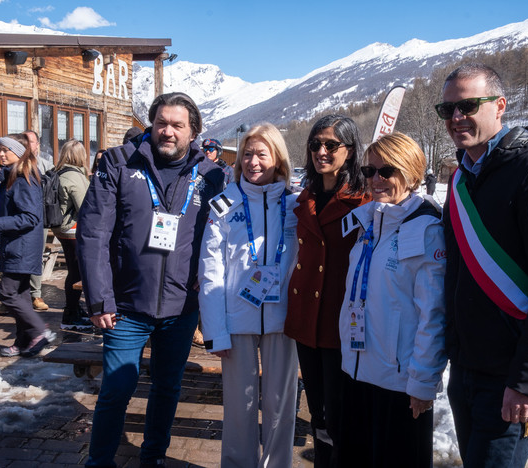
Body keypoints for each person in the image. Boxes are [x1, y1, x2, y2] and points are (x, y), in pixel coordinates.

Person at [437, 63, 528, 466]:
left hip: (509, 376)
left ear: (499, 106)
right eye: (446, 110)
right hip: (466, 365)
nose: (455, 118)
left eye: (467, 105)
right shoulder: (461, 178)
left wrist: (527, 382)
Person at [77, 92, 224, 467]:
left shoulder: (211, 175)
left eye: (177, 125)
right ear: (151, 125)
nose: (168, 132)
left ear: (193, 132)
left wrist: (207, 278)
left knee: (166, 388)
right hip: (125, 306)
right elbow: (93, 234)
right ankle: (99, 461)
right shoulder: (119, 163)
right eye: (161, 123)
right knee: (116, 389)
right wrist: (98, 299)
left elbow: (221, 236)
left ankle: (153, 456)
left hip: (181, 306)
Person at [338, 132, 446, 467]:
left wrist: (422, 382)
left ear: (412, 174)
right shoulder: (370, 219)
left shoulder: (425, 228)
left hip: (399, 384)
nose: (376, 180)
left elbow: (433, 314)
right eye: (369, 172)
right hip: (357, 371)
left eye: (387, 171)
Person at [199, 123, 299, 468]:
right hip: (236, 322)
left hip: (284, 322)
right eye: (247, 154)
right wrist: (215, 331)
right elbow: (210, 271)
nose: (253, 161)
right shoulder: (223, 205)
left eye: (261, 153)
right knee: (239, 409)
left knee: (280, 407)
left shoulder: (297, 205)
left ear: (278, 158)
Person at [283, 114, 369, 467]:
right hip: (307, 322)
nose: (321, 151)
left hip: (342, 324)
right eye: (315, 144)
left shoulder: (365, 201)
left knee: (341, 415)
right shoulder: (305, 196)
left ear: (348, 151)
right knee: (317, 412)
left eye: (331, 145)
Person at [0, 134, 56, 357]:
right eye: (0, 150)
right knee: (20, 295)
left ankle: (39, 331)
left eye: (6, 150)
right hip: (14, 244)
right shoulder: (9, 176)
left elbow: (31, 217)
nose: (1, 154)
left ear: (19, 153)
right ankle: (23, 342)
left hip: (22, 247)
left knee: (7, 293)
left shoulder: (24, 178)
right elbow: (14, 210)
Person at [51, 139, 92, 331]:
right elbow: (85, 207)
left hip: (59, 227)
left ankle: (74, 310)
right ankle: (71, 314)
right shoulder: (76, 177)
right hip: (73, 229)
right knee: (77, 272)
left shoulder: (58, 172)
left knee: (73, 271)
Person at [23, 130, 53, 311]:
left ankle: (36, 294)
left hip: (38, 219)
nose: (29, 146)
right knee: (15, 255)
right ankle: (12, 296)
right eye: (25, 142)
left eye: (32, 142)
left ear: (38, 145)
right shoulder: (13, 164)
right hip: (17, 218)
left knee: (36, 256)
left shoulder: (46, 166)